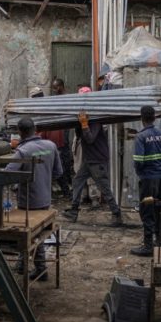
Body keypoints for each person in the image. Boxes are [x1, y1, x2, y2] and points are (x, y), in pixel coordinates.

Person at [4, 117, 63, 281]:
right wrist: (43, 177)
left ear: (20, 132)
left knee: (30, 234)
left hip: (28, 201)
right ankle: (23, 264)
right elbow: (59, 172)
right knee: (34, 232)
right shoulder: (51, 146)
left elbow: (7, 175)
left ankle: (41, 269)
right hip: (45, 198)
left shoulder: (23, 151)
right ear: (35, 129)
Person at [63, 87, 123, 226]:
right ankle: (73, 210)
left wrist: (84, 124)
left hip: (97, 160)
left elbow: (90, 139)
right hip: (89, 159)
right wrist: (79, 124)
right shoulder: (87, 118)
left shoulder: (95, 120)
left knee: (104, 188)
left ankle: (116, 214)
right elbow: (80, 136)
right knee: (77, 180)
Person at [130, 105, 161, 256]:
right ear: (154, 117)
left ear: (142, 118)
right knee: (158, 208)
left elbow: (138, 161)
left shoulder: (141, 136)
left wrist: (141, 171)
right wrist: (159, 163)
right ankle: (159, 242)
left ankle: (148, 246)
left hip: (148, 179)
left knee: (147, 210)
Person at [30, 84, 72, 197]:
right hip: (55, 141)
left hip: (50, 142)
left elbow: (42, 129)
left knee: (48, 167)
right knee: (55, 168)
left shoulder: (41, 108)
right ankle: (65, 192)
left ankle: (57, 192)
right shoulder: (48, 105)